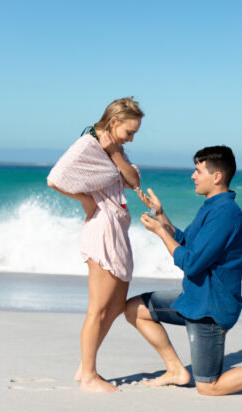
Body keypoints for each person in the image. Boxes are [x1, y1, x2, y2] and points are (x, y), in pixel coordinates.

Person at [126, 145, 242, 397]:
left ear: (217, 177)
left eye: (198, 171)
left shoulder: (225, 214)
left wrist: (158, 232)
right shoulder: (211, 207)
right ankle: (176, 371)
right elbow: (185, 241)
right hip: (194, 299)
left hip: (210, 309)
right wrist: (161, 214)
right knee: (135, 308)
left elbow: (191, 262)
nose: (193, 176)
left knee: (209, 387)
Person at [47, 97, 144, 392]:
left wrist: (115, 151)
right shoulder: (87, 146)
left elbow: (134, 180)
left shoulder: (115, 148)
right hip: (102, 230)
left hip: (117, 229)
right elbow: (55, 178)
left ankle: (84, 366)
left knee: (115, 306)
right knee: (98, 309)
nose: (132, 138)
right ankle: (88, 376)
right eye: (129, 132)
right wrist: (86, 201)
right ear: (114, 122)